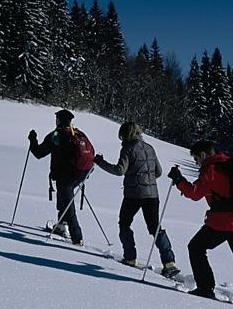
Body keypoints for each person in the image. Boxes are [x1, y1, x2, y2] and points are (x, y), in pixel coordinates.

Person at [167, 139, 233, 309]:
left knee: (196, 247)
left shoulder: (211, 168)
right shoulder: (229, 163)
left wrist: (179, 180)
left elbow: (194, 193)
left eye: (196, 159)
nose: (197, 164)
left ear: (203, 154)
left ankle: (205, 288)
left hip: (222, 222)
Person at [93, 122, 180, 278]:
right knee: (155, 227)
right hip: (152, 194)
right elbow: (158, 172)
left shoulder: (128, 148)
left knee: (125, 223)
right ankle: (169, 263)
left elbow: (120, 170)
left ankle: (130, 257)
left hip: (134, 194)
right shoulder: (150, 148)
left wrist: (100, 162)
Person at [28, 109, 88, 246]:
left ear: (59, 120)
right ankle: (62, 225)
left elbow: (38, 153)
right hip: (80, 175)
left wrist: (32, 140)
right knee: (64, 198)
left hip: (65, 175)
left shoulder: (56, 135)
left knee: (68, 205)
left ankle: (77, 238)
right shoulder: (78, 134)